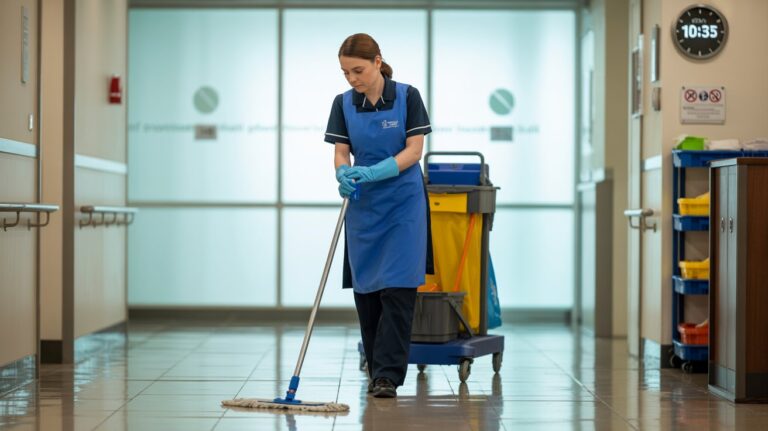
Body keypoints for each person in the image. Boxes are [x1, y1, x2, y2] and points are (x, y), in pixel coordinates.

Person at [324, 33, 433, 398]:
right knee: (367, 292)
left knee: (398, 290)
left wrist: (375, 171)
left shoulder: (407, 96)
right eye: (345, 73)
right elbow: (342, 152)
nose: (352, 79)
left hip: (403, 204)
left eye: (357, 70)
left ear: (377, 61)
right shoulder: (343, 103)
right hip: (364, 206)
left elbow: (414, 150)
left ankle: (387, 376)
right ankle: (375, 369)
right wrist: (343, 172)